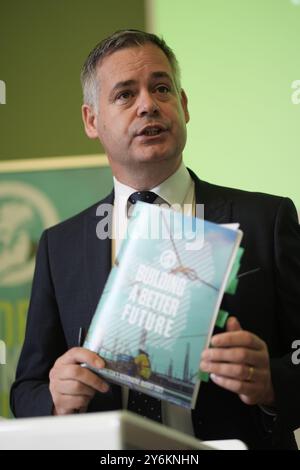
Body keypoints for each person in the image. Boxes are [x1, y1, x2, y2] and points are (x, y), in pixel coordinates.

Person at [10, 29, 300, 449]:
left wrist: (272, 383)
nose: (148, 104)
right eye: (125, 95)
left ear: (182, 106)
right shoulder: (60, 246)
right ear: (92, 120)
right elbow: (26, 391)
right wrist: (54, 398)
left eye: (161, 88)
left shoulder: (266, 220)